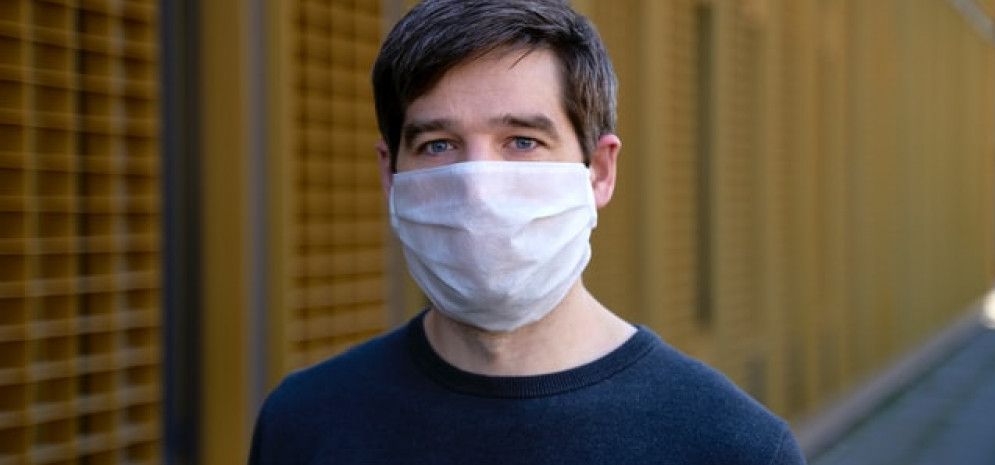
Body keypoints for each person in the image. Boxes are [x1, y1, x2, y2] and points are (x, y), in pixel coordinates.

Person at [249, 1, 806, 463]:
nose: (477, 188)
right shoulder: (304, 425)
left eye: (522, 141)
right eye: (437, 145)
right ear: (389, 175)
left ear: (599, 171)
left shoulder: (736, 448)